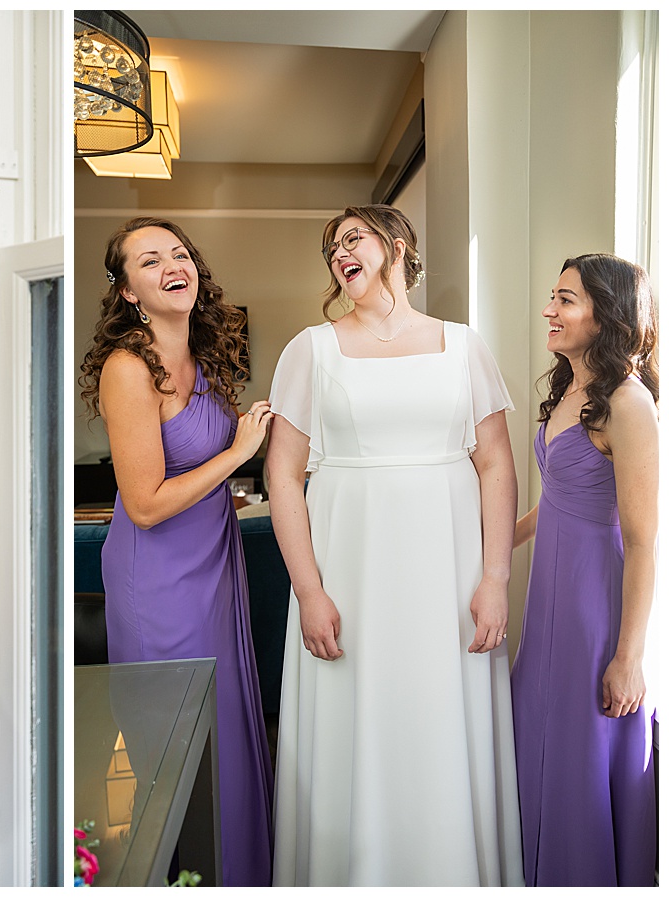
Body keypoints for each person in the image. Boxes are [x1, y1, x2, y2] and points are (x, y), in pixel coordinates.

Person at [266, 205, 522, 885]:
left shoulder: (464, 345)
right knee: (358, 723)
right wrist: (310, 590)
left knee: (441, 719)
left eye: (353, 238)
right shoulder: (310, 350)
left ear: (398, 245)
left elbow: (496, 462)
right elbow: (283, 475)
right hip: (349, 570)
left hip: (447, 570)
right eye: (331, 248)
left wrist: (495, 576)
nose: (339, 253)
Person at [79, 217, 274, 885]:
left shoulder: (211, 356)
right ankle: (183, 873)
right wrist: (238, 454)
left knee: (227, 723)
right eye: (150, 258)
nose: (172, 263)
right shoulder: (128, 368)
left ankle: (236, 869)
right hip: (157, 576)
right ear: (129, 291)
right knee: (174, 738)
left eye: (180, 252)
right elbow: (145, 502)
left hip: (216, 564)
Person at [510, 254, 658, 886]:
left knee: (580, 752)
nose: (550, 309)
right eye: (553, 296)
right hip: (547, 602)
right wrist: (487, 553)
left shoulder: (629, 402)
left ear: (607, 314)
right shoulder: (568, 391)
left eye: (566, 299)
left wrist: (629, 656)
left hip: (595, 606)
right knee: (536, 736)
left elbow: (645, 537)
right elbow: (553, 504)